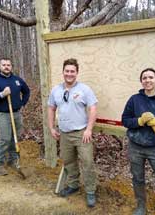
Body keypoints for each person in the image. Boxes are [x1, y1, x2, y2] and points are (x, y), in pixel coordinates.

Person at [121, 68, 155, 215]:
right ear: (141, 81)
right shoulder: (134, 100)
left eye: (151, 77)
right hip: (136, 146)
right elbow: (125, 120)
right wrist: (139, 121)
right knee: (138, 178)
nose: (147, 80)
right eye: (144, 78)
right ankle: (141, 207)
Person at [48, 58, 97, 207]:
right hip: (64, 133)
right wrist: (51, 127)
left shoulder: (84, 89)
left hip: (81, 133)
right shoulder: (56, 90)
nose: (69, 74)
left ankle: (90, 191)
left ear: (77, 73)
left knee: (87, 162)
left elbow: (93, 108)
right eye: (67, 71)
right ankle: (74, 185)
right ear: (63, 72)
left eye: (72, 71)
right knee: (69, 161)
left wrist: (89, 129)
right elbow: (51, 108)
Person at [0, 58, 30, 176]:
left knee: (15, 138)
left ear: (11, 66)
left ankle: (13, 161)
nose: (6, 67)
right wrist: (1, 94)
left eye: (8, 65)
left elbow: (27, 91)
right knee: (5, 139)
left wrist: (22, 103)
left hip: (16, 114)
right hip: (4, 114)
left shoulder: (17, 80)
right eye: (4, 65)